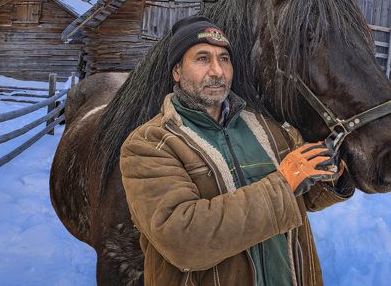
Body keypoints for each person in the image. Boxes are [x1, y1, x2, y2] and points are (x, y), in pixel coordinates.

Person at [120, 15, 355, 285]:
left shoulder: (265, 127)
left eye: (224, 59)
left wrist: (334, 176)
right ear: (177, 71)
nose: (217, 71)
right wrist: (284, 182)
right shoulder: (149, 144)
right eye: (202, 58)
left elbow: (302, 198)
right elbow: (183, 240)